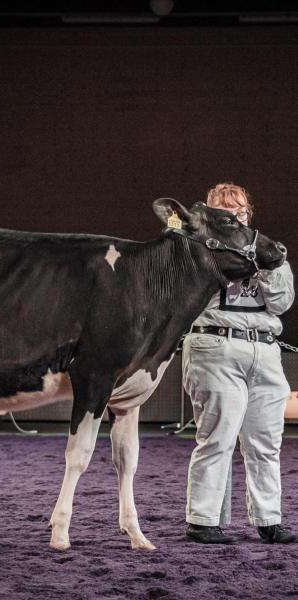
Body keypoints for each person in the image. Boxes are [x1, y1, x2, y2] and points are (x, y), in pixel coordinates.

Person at [183, 182, 296, 544]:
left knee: (265, 441)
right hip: (216, 343)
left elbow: (281, 303)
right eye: (225, 211)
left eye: (241, 210)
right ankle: (203, 520)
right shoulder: (195, 248)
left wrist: (268, 263)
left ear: (249, 212)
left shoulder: (265, 247)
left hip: (264, 348)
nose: (235, 215)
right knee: (217, 437)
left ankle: (268, 519)